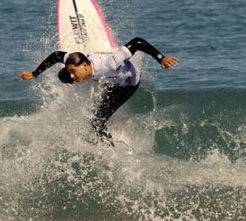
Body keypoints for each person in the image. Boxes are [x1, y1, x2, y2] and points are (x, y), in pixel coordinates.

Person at [18, 37, 178, 142]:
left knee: (96, 121)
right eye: (71, 71)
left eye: (74, 71)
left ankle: (110, 148)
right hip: (108, 78)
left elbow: (137, 42)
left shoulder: (110, 63)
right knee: (63, 76)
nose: (73, 75)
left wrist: (161, 58)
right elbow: (56, 55)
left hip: (126, 84)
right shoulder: (77, 61)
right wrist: (34, 73)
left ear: (86, 65)